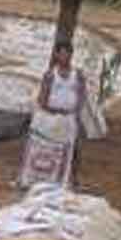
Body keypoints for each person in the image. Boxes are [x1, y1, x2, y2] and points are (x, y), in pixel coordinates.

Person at [18, 40, 87, 188]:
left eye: (67, 54)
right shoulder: (50, 75)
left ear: (71, 55)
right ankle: (38, 179)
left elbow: (82, 96)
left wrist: (74, 111)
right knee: (45, 149)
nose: (65, 57)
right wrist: (57, 111)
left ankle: (71, 180)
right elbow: (42, 100)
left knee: (72, 149)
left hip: (68, 119)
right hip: (50, 118)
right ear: (56, 55)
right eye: (61, 54)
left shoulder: (78, 74)